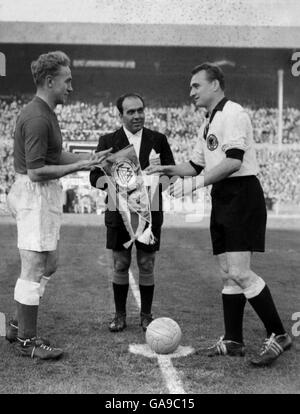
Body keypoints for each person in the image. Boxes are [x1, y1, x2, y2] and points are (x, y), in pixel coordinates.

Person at [146, 63, 292, 367]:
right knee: (227, 273)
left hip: (241, 195)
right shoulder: (207, 122)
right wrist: (168, 170)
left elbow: (233, 163)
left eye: (196, 86)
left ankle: (279, 333)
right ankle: (233, 340)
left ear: (215, 85)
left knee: (240, 271)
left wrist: (192, 186)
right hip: (223, 197)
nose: (191, 93)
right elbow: (196, 165)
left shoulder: (233, 113)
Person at [6, 51, 111, 360]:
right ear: (50, 81)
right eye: (67, 81)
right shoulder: (37, 116)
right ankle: (27, 340)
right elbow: (37, 171)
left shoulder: (47, 112)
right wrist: (76, 168)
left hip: (43, 193)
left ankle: (16, 323)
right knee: (34, 265)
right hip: (34, 193)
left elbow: (54, 156)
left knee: (49, 263)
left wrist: (87, 160)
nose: (71, 87)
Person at [90, 93, 175, 332]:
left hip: (151, 211)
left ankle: (146, 315)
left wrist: (157, 179)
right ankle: (119, 315)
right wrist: (113, 183)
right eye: (131, 112)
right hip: (119, 212)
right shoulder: (108, 141)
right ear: (121, 115)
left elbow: (171, 174)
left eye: (140, 110)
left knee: (147, 263)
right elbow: (94, 177)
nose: (137, 115)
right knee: (120, 263)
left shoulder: (158, 139)